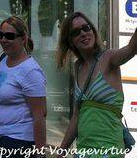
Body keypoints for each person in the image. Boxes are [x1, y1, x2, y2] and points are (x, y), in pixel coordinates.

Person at [57, 11, 137, 158]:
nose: (83, 33)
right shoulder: (77, 67)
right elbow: (77, 116)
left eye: (86, 28)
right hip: (83, 151)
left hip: (109, 151)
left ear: (92, 30)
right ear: (70, 41)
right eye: (76, 32)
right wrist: (60, 153)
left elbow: (131, 49)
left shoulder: (109, 58)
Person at [0, 15, 47, 158]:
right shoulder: (3, 59)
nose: (4, 40)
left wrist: (40, 153)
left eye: (9, 36)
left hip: (18, 141)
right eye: (1, 35)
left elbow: (40, 115)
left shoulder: (30, 71)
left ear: (23, 39)